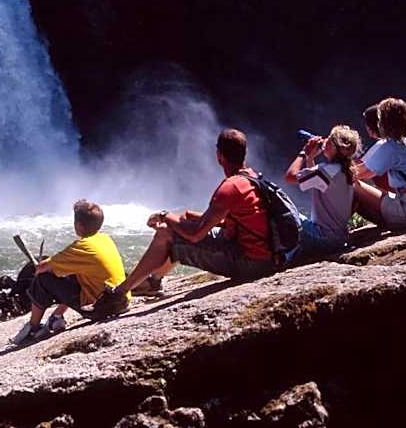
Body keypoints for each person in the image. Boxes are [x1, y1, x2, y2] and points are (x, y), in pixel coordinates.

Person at [92, 128, 275, 317]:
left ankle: (119, 295)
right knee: (181, 224)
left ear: (219, 156)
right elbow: (230, 220)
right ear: (244, 153)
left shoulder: (230, 187)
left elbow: (195, 235)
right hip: (265, 257)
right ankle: (153, 281)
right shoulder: (251, 177)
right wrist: (189, 217)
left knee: (167, 232)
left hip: (250, 264)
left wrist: (165, 215)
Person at [10, 199, 127, 345]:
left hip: (102, 309)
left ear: (78, 225)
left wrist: (41, 265)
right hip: (122, 302)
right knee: (74, 271)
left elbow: (42, 269)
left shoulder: (82, 246)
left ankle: (32, 328)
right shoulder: (105, 239)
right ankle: (56, 317)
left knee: (43, 277)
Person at [352, 97, 406, 229]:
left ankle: (333, 232)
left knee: (352, 184)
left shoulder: (393, 146)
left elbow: (358, 174)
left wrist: (335, 155)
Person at [284, 125, 361, 261]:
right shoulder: (342, 169)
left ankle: (286, 257)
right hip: (337, 238)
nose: (325, 140)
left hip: (323, 238)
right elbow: (314, 180)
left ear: (335, 148)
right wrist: (310, 158)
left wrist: (303, 153)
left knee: (284, 213)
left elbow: (290, 176)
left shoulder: (325, 171)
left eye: (329, 139)